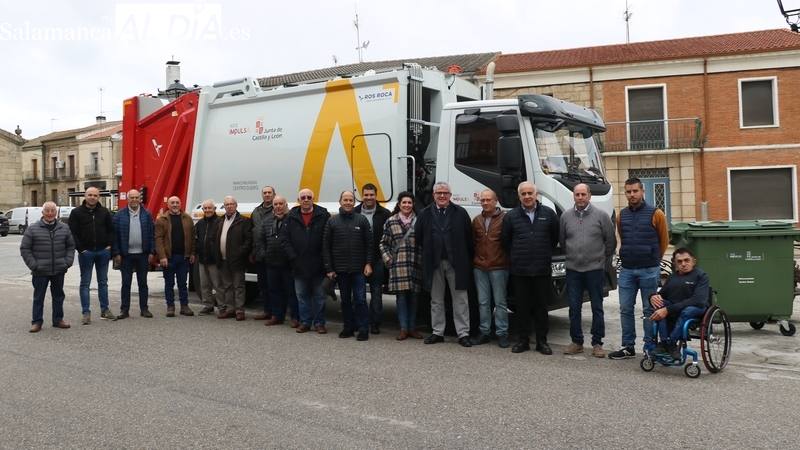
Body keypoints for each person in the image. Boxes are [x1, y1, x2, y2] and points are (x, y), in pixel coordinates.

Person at [609, 177, 669, 360]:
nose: (632, 194)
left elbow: (664, 240)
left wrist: (654, 260)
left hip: (649, 270)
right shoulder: (621, 215)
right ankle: (628, 346)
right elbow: (623, 237)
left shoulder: (656, 214)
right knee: (625, 309)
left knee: (649, 310)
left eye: (635, 191)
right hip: (627, 270)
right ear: (625, 193)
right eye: (628, 191)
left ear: (643, 191)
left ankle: (649, 347)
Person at [500, 181, 559, 355]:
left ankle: (542, 341)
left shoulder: (548, 214)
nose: (527, 196)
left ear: (536, 195)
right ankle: (523, 340)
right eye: (523, 194)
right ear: (519, 197)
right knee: (522, 307)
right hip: (520, 269)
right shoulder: (511, 216)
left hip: (541, 269)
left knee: (541, 307)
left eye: (530, 193)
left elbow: (554, 238)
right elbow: (506, 240)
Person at [559, 183, 616, 358]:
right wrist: (572, 257)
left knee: (597, 307)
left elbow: (611, 241)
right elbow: (562, 241)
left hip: (594, 270)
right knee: (574, 307)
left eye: (583, 194)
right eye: (577, 194)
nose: (580, 197)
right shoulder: (565, 217)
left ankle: (597, 343)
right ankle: (577, 342)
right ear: (574, 196)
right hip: (573, 270)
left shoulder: (601, 216)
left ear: (589, 196)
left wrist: (600, 260)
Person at [415, 182, 474, 347]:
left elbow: (467, 236)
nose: (442, 196)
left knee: (461, 300)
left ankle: (463, 333)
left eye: (445, 193)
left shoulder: (460, 212)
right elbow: (419, 236)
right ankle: (437, 332)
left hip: (456, 263)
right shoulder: (425, 213)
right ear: (433, 195)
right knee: (436, 300)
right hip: (434, 263)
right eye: (439, 193)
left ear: (450, 195)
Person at [324, 191, 373, 341]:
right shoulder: (332, 221)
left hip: (359, 269)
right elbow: (326, 246)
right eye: (345, 200)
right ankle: (348, 327)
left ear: (354, 202)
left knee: (361, 299)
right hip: (341, 269)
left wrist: (368, 263)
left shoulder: (362, 220)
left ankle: (363, 328)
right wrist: (329, 268)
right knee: (345, 300)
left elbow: (369, 244)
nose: (348, 202)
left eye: (351, 200)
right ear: (340, 202)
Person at [280, 188, 331, 334]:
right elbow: (285, 239)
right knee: (302, 296)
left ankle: (319, 323)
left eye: (309, 197)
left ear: (313, 199)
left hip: (318, 264)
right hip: (299, 264)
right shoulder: (291, 217)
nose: (306, 200)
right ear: (298, 200)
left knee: (320, 296)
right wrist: (293, 257)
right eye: (303, 198)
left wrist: (323, 257)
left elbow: (328, 238)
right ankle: (305, 322)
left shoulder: (324, 215)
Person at [20, 202, 76, 332]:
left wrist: (67, 262)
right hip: (40, 270)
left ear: (56, 213)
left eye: (52, 211)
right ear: (43, 212)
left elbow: (70, 246)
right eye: (47, 211)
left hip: (59, 269)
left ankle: (58, 319)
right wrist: (34, 265)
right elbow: (25, 249)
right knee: (38, 297)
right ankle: (37, 322)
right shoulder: (32, 229)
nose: (50, 213)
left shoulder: (64, 228)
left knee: (58, 296)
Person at [649, 248, 710, 360]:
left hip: (696, 308)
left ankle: (671, 343)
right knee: (659, 304)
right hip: (675, 308)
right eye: (680, 261)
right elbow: (662, 295)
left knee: (687, 311)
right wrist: (653, 297)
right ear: (675, 264)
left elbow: (698, 300)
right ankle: (663, 342)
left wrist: (668, 309)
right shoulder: (672, 277)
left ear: (694, 262)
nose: (683, 264)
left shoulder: (701, 276)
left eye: (687, 260)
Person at [69, 186, 116, 324]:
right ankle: (86, 313)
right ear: (85, 196)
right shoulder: (76, 212)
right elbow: (72, 232)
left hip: (102, 252)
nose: (92, 197)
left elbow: (111, 230)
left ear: (98, 197)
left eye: (95, 195)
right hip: (86, 253)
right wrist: (81, 249)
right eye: (90, 195)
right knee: (85, 283)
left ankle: (105, 311)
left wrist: (109, 246)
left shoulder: (104, 212)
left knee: (103, 283)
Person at [380, 192, 423, 340]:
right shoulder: (391, 221)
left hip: (416, 264)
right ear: (399, 204)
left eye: (409, 203)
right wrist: (389, 260)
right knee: (402, 298)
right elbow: (383, 244)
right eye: (404, 202)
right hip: (399, 266)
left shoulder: (419, 220)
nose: (406, 205)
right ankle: (404, 328)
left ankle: (412, 328)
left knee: (415, 298)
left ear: (413, 205)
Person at [471, 189, 510, 348]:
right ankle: (484, 332)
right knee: (483, 302)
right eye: (483, 200)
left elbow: (509, 241)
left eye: (488, 200)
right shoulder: (476, 220)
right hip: (480, 267)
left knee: (500, 302)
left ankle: (502, 333)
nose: (485, 203)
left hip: (499, 266)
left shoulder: (505, 219)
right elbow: (474, 242)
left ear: (496, 200)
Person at [112, 189, 156, 319]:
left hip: (143, 254)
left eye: (137, 197)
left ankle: (144, 309)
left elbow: (152, 234)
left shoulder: (146, 214)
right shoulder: (119, 215)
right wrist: (116, 253)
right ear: (128, 199)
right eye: (132, 197)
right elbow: (114, 236)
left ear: (140, 199)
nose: (134, 200)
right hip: (126, 255)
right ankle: (124, 310)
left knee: (143, 283)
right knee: (126, 283)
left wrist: (152, 251)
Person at [354, 183, 391, 335]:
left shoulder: (385, 213)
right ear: (361, 196)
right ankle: (359, 322)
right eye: (366, 195)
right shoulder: (355, 212)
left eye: (371, 195)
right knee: (358, 294)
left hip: (377, 258)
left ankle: (375, 323)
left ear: (376, 196)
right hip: (357, 259)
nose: (369, 197)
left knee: (376, 293)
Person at [259, 195, 300, 327]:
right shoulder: (267, 221)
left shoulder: (292, 220)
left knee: (291, 292)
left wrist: (292, 257)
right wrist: (264, 254)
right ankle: (277, 316)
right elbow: (261, 240)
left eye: (280, 204)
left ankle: (295, 317)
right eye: (275, 204)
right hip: (271, 263)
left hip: (287, 263)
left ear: (286, 205)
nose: (278, 206)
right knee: (274, 291)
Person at [154, 196, 197, 318]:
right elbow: (158, 239)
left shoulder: (187, 219)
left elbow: (193, 238)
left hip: (184, 257)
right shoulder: (162, 220)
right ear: (168, 205)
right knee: (169, 283)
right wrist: (162, 256)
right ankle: (170, 306)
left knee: (182, 283)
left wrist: (192, 253)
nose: (175, 205)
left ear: (180, 204)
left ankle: (184, 306)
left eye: (177, 202)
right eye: (172, 203)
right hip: (169, 257)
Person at [213, 196, 252, 321]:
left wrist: (240, 252)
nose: (229, 206)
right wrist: (216, 253)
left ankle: (240, 311)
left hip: (237, 260)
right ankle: (230, 309)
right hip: (223, 260)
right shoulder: (219, 221)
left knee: (238, 286)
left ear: (236, 205)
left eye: (231, 204)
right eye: (227, 204)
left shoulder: (243, 221)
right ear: (224, 207)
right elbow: (213, 239)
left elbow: (249, 239)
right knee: (228, 286)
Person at [195, 199, 224, 316]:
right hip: (202, 259)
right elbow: (195, 238)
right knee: (204, 285)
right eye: (205, 208)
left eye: (209, 208)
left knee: (218, 285)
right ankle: (208, 305)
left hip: (215, 260)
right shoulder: (200, 223)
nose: (207, 210)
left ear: (215, 209)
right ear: (202, 210)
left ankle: (222, 306)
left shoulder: (220, 222)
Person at [250, 185, 275, 321]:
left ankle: (277, 312)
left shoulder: (278, 209)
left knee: (275, 285)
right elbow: (252, 232)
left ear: (274, 194)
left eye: (269, 192)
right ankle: (267, 310)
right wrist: (252, 251)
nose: (267, 195)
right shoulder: (256, 211)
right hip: (259, 254)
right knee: (263, 285)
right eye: (264, 193)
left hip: (273, 254)